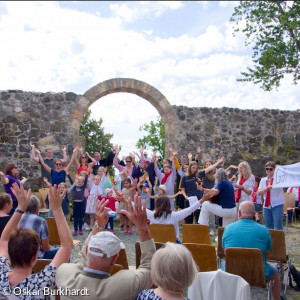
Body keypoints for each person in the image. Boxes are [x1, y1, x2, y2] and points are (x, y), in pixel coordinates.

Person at [55, 196, 156, 300]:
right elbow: (150, 268)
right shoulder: (125, 285)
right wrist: (142, 229)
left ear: (87, 250)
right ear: (114, 260)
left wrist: (98, 226)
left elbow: (81, 259)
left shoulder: (64, 274)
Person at [0, 183, 73, 299]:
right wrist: (57, 208)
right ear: (35, 256)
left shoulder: (1, 274)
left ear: (9, 252)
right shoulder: (42, 283)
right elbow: (67, 246)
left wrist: (20, 208)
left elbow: (3, 239)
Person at [222, 201, 281, 300]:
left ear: (239, 213)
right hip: (258, 274)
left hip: (233, 273)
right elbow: (266, 255)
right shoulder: (264, 230)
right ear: (254, 215)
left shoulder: (228, 229)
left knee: (224, 264)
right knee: (274, 272)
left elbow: (226, 253)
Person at [181, 157, 224, 225]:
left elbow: (209, 168)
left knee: (199, 220)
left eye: (196, 168)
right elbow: (182, 190)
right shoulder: (184, 177)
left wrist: (218, 162)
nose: (194, 170)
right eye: (193, 168)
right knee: (188, 220)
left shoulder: (199, 174)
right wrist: (185, 196)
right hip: (189, 200)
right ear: (190, 168)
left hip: (199, 199)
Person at [18, 195, 59, 259]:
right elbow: (46, 248)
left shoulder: (17, 218)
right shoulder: (41, 221)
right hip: (37, 258)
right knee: (62, 250)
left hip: (19, 256)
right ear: (37, 207)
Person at [258, 161, 284, 230]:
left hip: (277, 204)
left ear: (274, 169)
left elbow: (284, 174)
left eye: (271, 169)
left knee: (278, 226)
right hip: (267, 205)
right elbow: (259, 192)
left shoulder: (279, 179)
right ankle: (270, 240)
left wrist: (278, 168)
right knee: (268, 226)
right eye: (267, 169)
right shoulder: (263, 180)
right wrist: (266, 189)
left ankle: (279, 240)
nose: (268, 170)